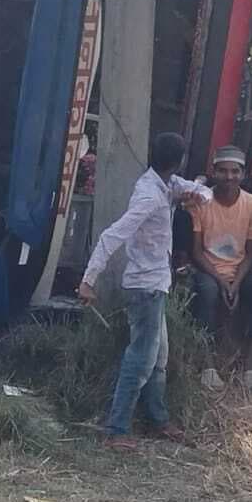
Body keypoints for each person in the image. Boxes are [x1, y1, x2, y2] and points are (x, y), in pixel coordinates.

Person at [78, 132, 210, 450]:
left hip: (155, 284)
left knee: (158, 358)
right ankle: (116, 429)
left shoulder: (165, 184)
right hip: (145, 288)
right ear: (179, 160)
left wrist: (194, 195)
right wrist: (88, 279)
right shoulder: (150, 196)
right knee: (141, 361)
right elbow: (112, 235)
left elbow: (202, 191)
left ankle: (157, 418)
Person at [188, 146, 252, 334]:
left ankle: (250, 347)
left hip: (239, 269)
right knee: (208, 291)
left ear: (243, 174)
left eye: (235, 171)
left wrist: (236, 283)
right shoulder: (201, 202)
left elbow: (251, 254)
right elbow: (197, 252)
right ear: (213, 172)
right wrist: (222, 282)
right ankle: (203, 344)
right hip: (208, 269)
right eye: (223, 171)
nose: (229, 177)